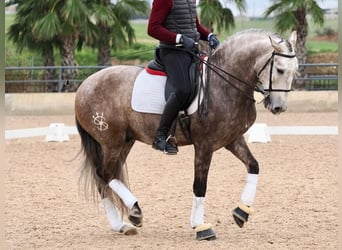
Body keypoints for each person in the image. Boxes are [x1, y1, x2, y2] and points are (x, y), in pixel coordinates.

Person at [147, 0, 220, 154]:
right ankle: (160, 136)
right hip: (172, 52)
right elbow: (152, 28)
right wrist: (179, 38)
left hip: (190, 51)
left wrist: (209, 36)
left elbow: (194, 26)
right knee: (183, 89)